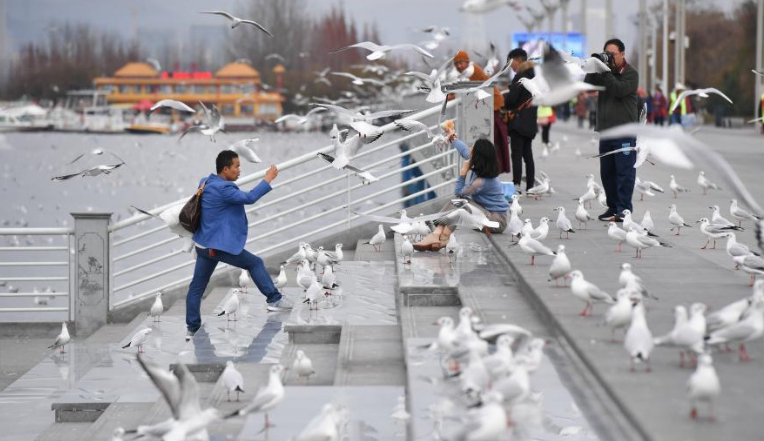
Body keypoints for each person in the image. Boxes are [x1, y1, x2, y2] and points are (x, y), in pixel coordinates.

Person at [184, 151, 292, 341]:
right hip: (216, 247)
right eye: (236, 166)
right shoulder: (224, 189)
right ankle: (274, 299)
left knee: (197, 287)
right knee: (255, 263)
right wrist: (267, 179)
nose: (239, 171)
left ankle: (192, 328)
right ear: (225, 169)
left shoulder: (206, 181)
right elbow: (249, 198)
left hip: (202, 244)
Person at [413, 137, 508, 251]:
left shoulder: (481, 182)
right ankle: (440, 236)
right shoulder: (484, 167)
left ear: (477, 157)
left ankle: (437, 235)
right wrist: (452, 137)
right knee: (458, 204)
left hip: (496, 221)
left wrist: (463, 173)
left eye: (472, 148)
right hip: (488, 214)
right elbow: (464, 151)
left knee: (460, 202)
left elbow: (458, 192)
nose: (469, 149)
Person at [584, 38, 639, 222]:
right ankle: (613, 207)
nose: (609, 58)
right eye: (606, 53)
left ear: (623, 54)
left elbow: (619, 89)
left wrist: (606, 71)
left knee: (624, 172)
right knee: (607, 172)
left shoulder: (631, 74)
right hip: (606, 132)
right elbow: (588, 85)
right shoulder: (603, 73)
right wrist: (595, 65)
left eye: (612, 54)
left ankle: (624, 210)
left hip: (624, 133)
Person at [452, 50, 510, 175]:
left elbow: (466, 90)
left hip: (492, 106)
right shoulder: (466, 74)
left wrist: (451, 97)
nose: (459, 66)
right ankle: (491, 170)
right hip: (487, 107)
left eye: (461, 62)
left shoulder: (472, 71)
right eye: (456, 64)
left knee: (491, 141)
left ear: (467, 62)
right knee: (492, 141)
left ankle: (491, 171)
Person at [503, 48, 537, 195]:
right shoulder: (533, 76)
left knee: (516, 154)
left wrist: (501, 98)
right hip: (530, 121)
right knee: (527, 155)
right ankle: (530, 186)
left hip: (518, 122)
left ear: (518, 60)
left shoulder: (520, 77)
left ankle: (516, 184)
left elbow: (512, 99)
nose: (511, 66)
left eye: (511, 63)